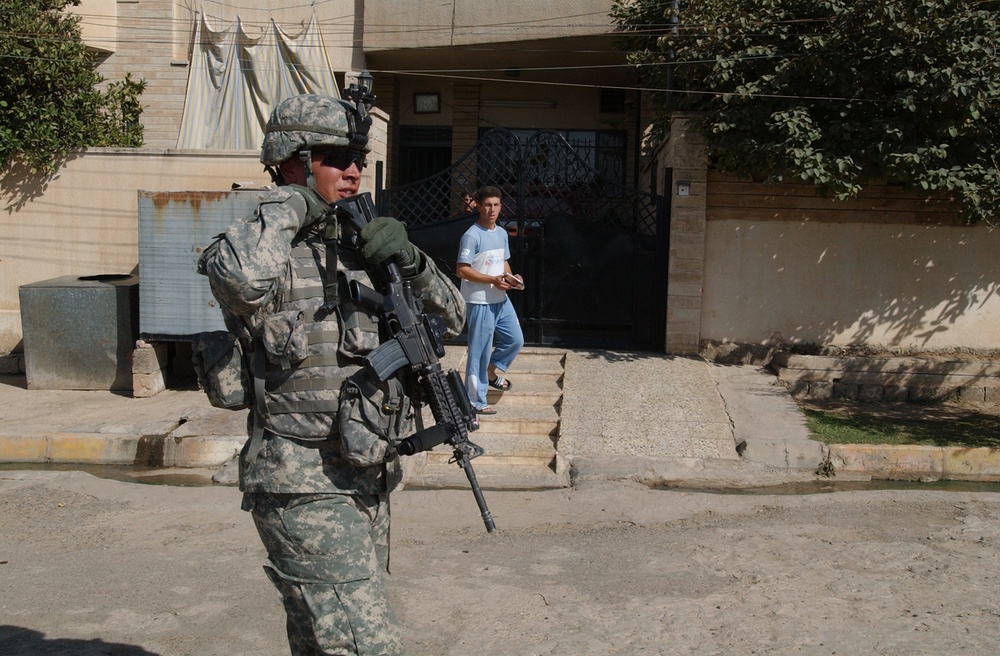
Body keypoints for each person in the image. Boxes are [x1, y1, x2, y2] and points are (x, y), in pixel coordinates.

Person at [197, 93, 465, 656]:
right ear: (293, 160)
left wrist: (410, 260)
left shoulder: (364, 250)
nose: (353, 171)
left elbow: (455, 313)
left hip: (366, 472)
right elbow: (240, 281)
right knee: (367, 643)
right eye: (336, 157)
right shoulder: (260, 248)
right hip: (300, 477)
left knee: (322, 638)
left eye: (359, 159)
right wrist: (292, 204)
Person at [455, 185, 525, 415]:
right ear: (478, 205)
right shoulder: (471, 235)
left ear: (501, 206)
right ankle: (473, 402)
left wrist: (511, 278)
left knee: (515, 340)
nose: (492, 209)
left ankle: (490, 372)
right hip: (479, 301)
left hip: (501, 299)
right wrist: (492, 280)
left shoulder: (502, 233)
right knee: (479, 351)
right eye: (487, 205)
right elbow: (462, 271)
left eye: (496, 205)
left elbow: (503, 262)